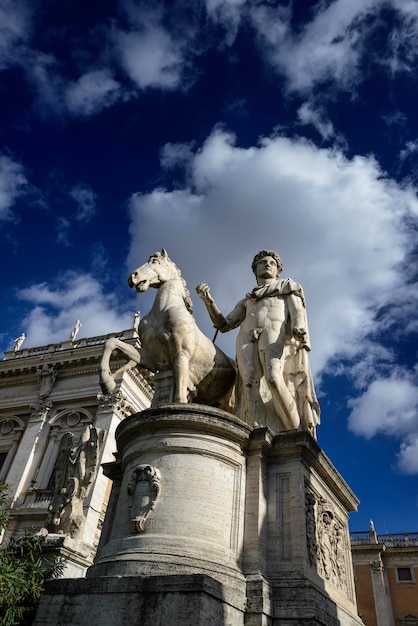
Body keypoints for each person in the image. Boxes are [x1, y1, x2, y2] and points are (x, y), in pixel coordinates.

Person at [196, 250, 320, 436]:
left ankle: (294, 430)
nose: (267, 264)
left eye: (272, 263)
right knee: (248, 385)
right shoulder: (248, 300)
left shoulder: (287, 287)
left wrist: (299, 328)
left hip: (274, 331)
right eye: (262, 262)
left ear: (278, 270)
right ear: (255, 270)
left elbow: (297, 312)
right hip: (246, 336)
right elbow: (224, 324)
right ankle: (255, 432)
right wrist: (208, 301)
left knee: (273, 378)